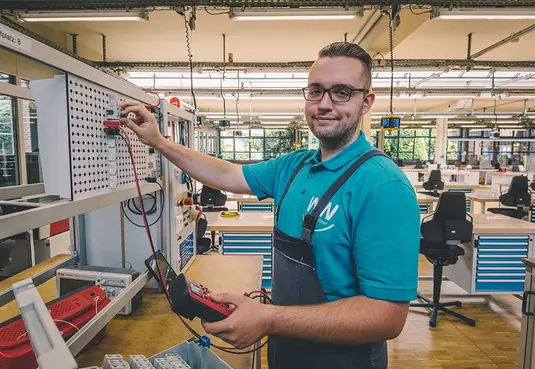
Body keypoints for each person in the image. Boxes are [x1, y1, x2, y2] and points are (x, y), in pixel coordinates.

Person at [119, 42, 420, 369]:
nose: (325, 103)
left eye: (342, 92)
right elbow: (228, 173)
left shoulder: (383, 187)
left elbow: (387, 317)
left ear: (366, 102)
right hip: (285, 353)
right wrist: (159, 141)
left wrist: (270, 318)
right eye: (316, 91)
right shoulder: (294, 166)